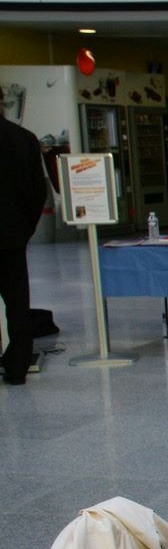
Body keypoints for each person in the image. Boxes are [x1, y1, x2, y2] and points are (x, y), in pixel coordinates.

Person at [0, 109, 48, 386]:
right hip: (12, 235)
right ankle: (17, 366)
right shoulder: (24, 139)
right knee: (18, 303)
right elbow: (38, 190)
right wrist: (26, 228)